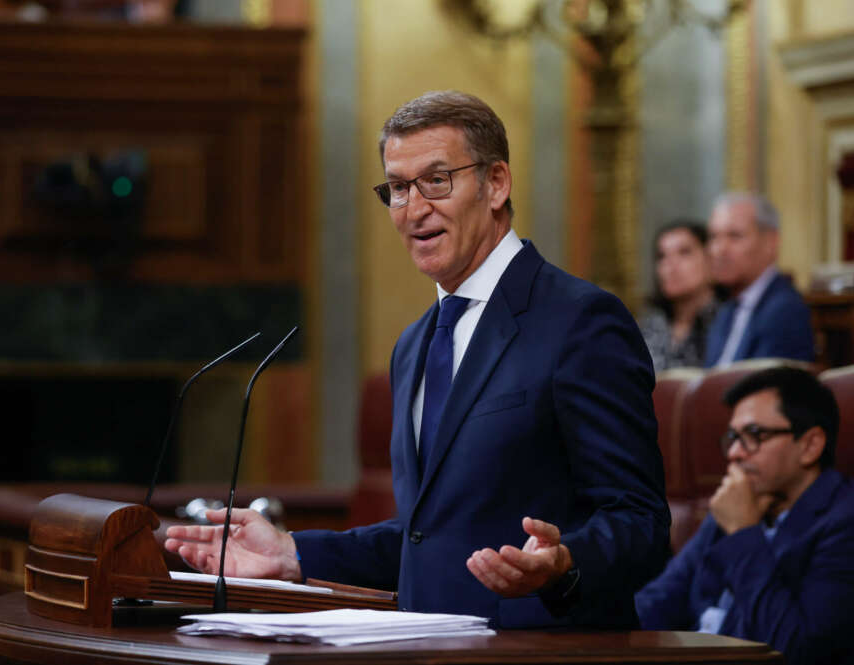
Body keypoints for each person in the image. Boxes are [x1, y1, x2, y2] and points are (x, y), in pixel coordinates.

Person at [166, 91, 670, 629]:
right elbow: (432, 536)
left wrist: (564, 562)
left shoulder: (581, 322)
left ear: (496, 183)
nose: (414, 209)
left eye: (437, 180)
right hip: (424, 649)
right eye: (399, 189)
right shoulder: (415, 344)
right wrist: (292, 554)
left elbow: (640, 521)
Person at [635, 367, 854, 665]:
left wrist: (744, 532)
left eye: (755, 435)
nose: (734, 452)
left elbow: (795, 650)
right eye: (733, 437)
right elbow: (659, 601)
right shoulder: (737, 503)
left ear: (810, 445)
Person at [704, 193, 814, 367]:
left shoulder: (784, 310)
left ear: (771, 242)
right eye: (714, 237)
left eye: (735, 236)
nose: (719, 249)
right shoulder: (725, 311)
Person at [639, 220, 718, 371]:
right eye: (662, 256)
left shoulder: (729, 321)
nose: (670, 265)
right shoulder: (650, 325)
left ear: (710, 259)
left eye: (684, 252)